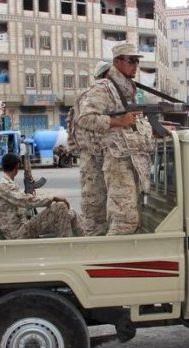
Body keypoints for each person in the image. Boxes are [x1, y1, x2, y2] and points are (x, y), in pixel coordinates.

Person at [74, 44, 155, 235]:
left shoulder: (125, 88)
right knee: (120, 220)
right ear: (117, 62)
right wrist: (118, 121)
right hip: (113, 159)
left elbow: (130, 123)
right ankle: (107, 259)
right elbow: (85, 119)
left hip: (124, 157)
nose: (135, 65)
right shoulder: (105, 88)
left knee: (110, 221)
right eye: (131, 61)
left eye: (137, 61)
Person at [0, 153, 84, 239]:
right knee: (60, 207)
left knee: (70, 213)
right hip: (18, 233)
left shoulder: (7, 183)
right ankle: (67, 247)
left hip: (23, 227)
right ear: (17, 166)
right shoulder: (3, 185)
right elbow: (26, 201)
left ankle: (86, 239)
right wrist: (53, 197)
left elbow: (22, 200)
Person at [67, 60, 111, 236]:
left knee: (102, 209)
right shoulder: (95, 95)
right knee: (95, 211)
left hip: (94, 158)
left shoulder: (87, 96)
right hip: (95, 159)